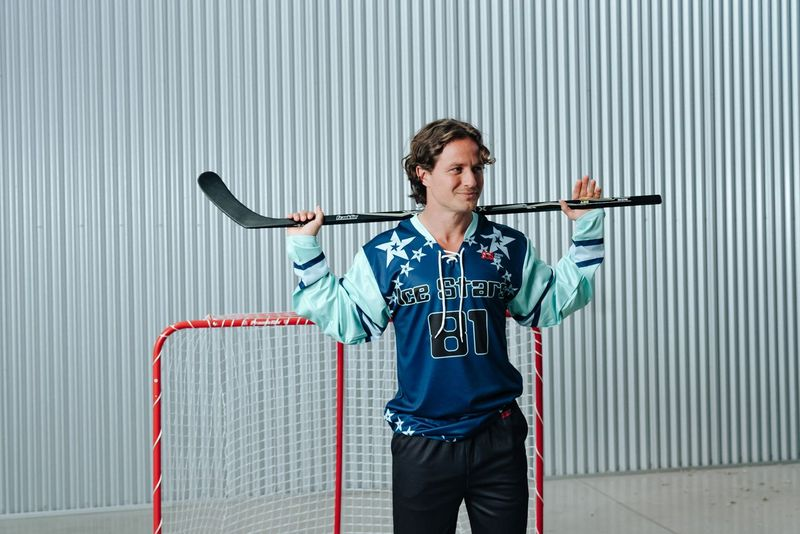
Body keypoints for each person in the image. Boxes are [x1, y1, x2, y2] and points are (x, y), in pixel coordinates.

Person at [285, 118, 604, 534]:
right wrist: (305, 246)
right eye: (457, 169)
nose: (471, 181)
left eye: (477, 168)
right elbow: (348, 322)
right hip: (422, 442)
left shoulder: (507, 246)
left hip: (498, 437)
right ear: (423, 174)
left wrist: (586, 227)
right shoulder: (385, 253)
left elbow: (550, 303)